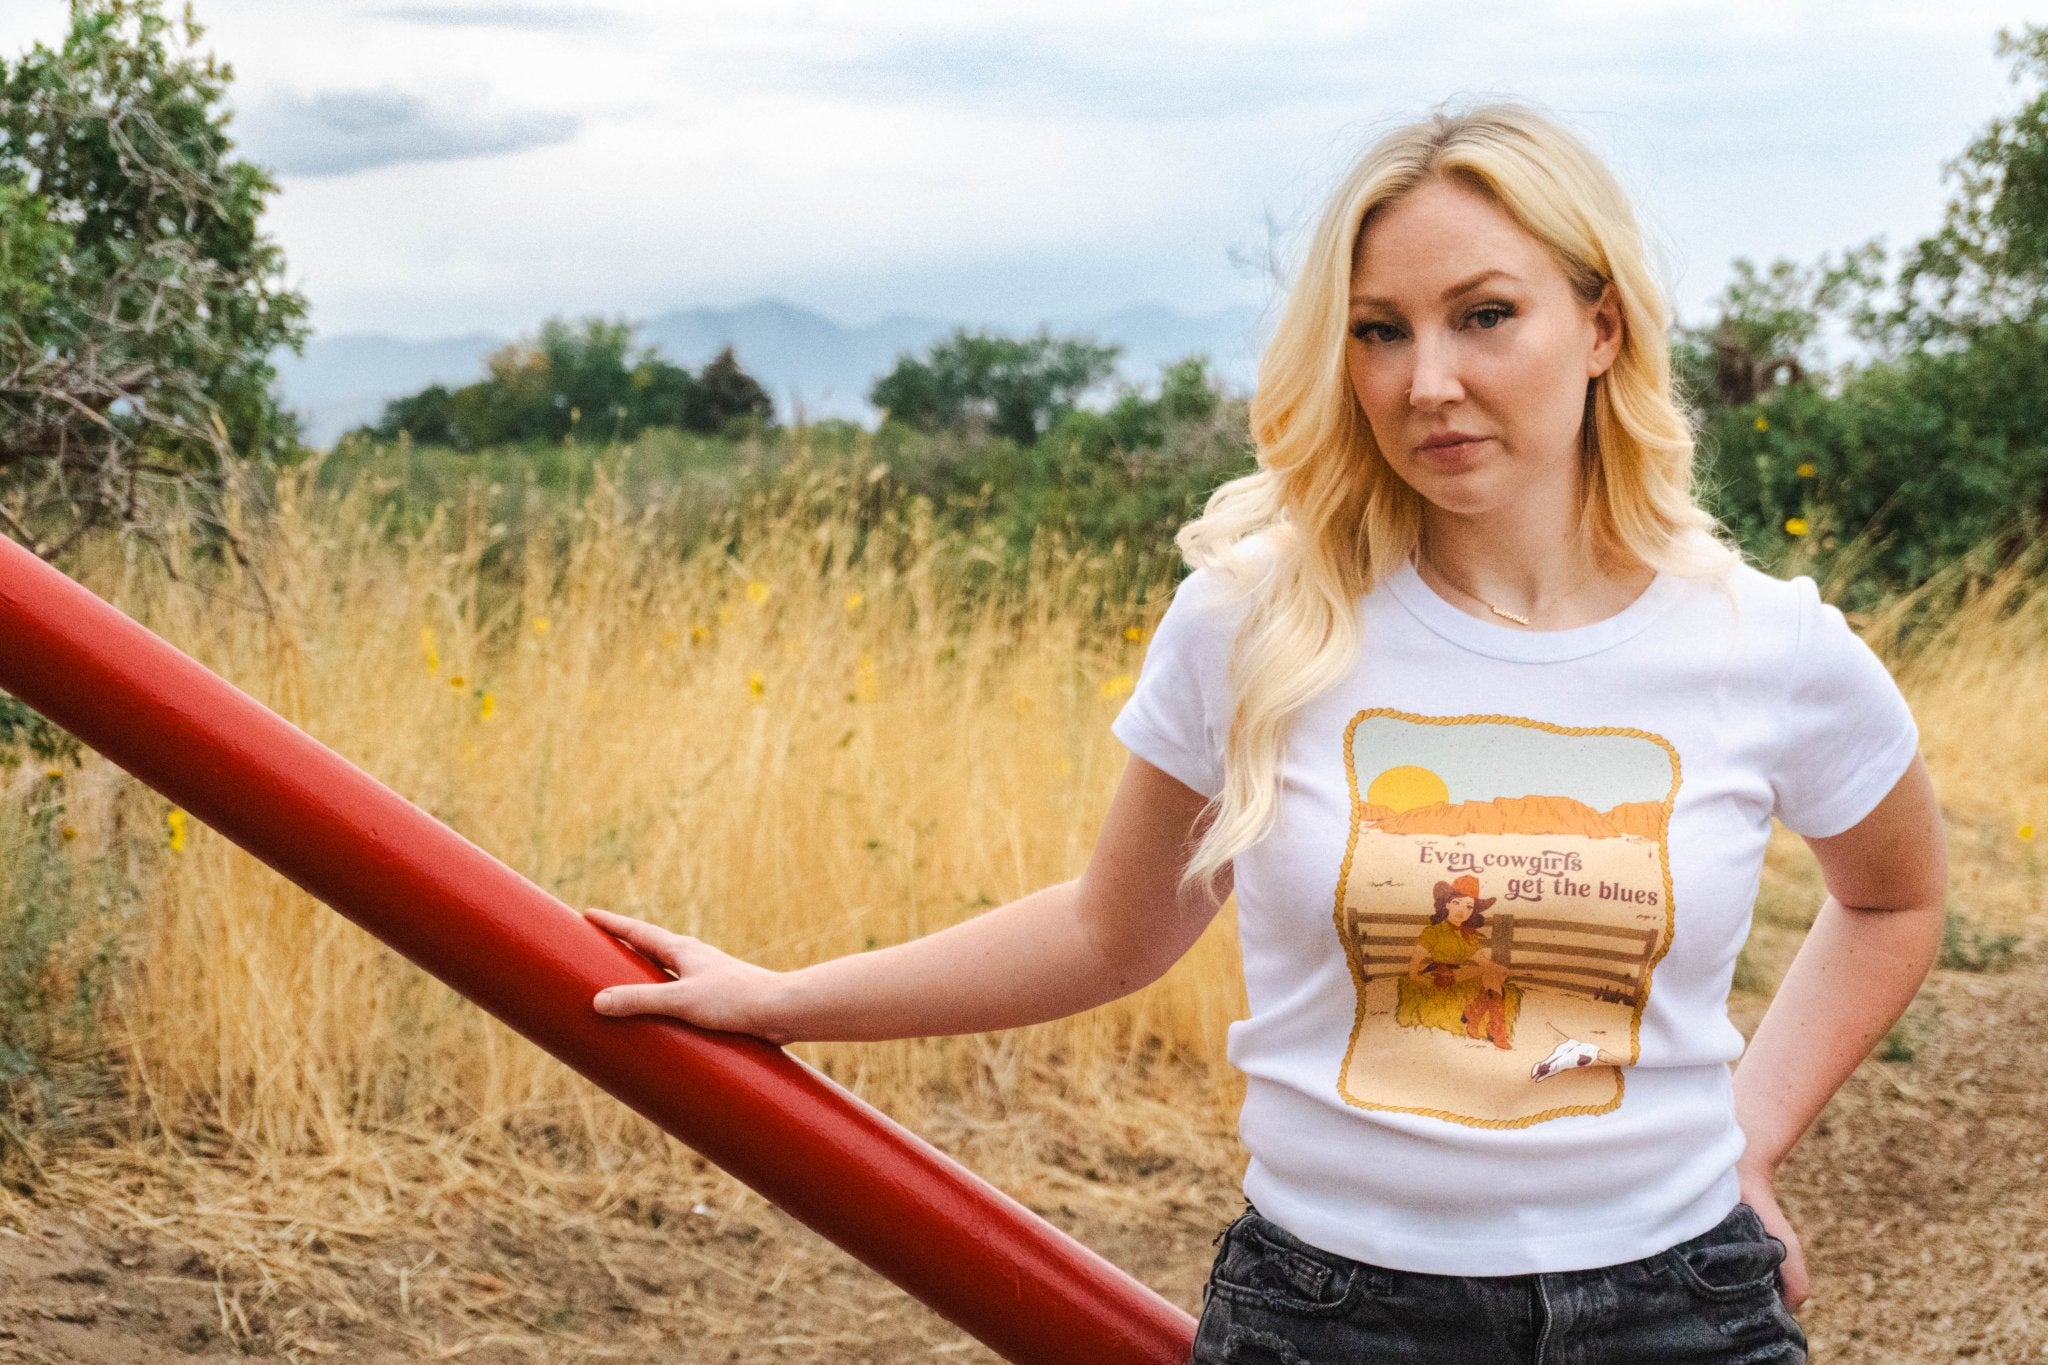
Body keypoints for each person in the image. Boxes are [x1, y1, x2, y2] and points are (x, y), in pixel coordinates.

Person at [583, 100, 1950, 1362]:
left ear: (1600, 326)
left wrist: (1751, 1137)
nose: (1427, 381)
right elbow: (1107, 931)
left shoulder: (1764, 645)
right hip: (1333, 1319)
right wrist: (779, 997)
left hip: (1681, 1313)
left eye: (1484, 316)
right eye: (1378, 329)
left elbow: (1892, 896)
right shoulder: (1256, 620)